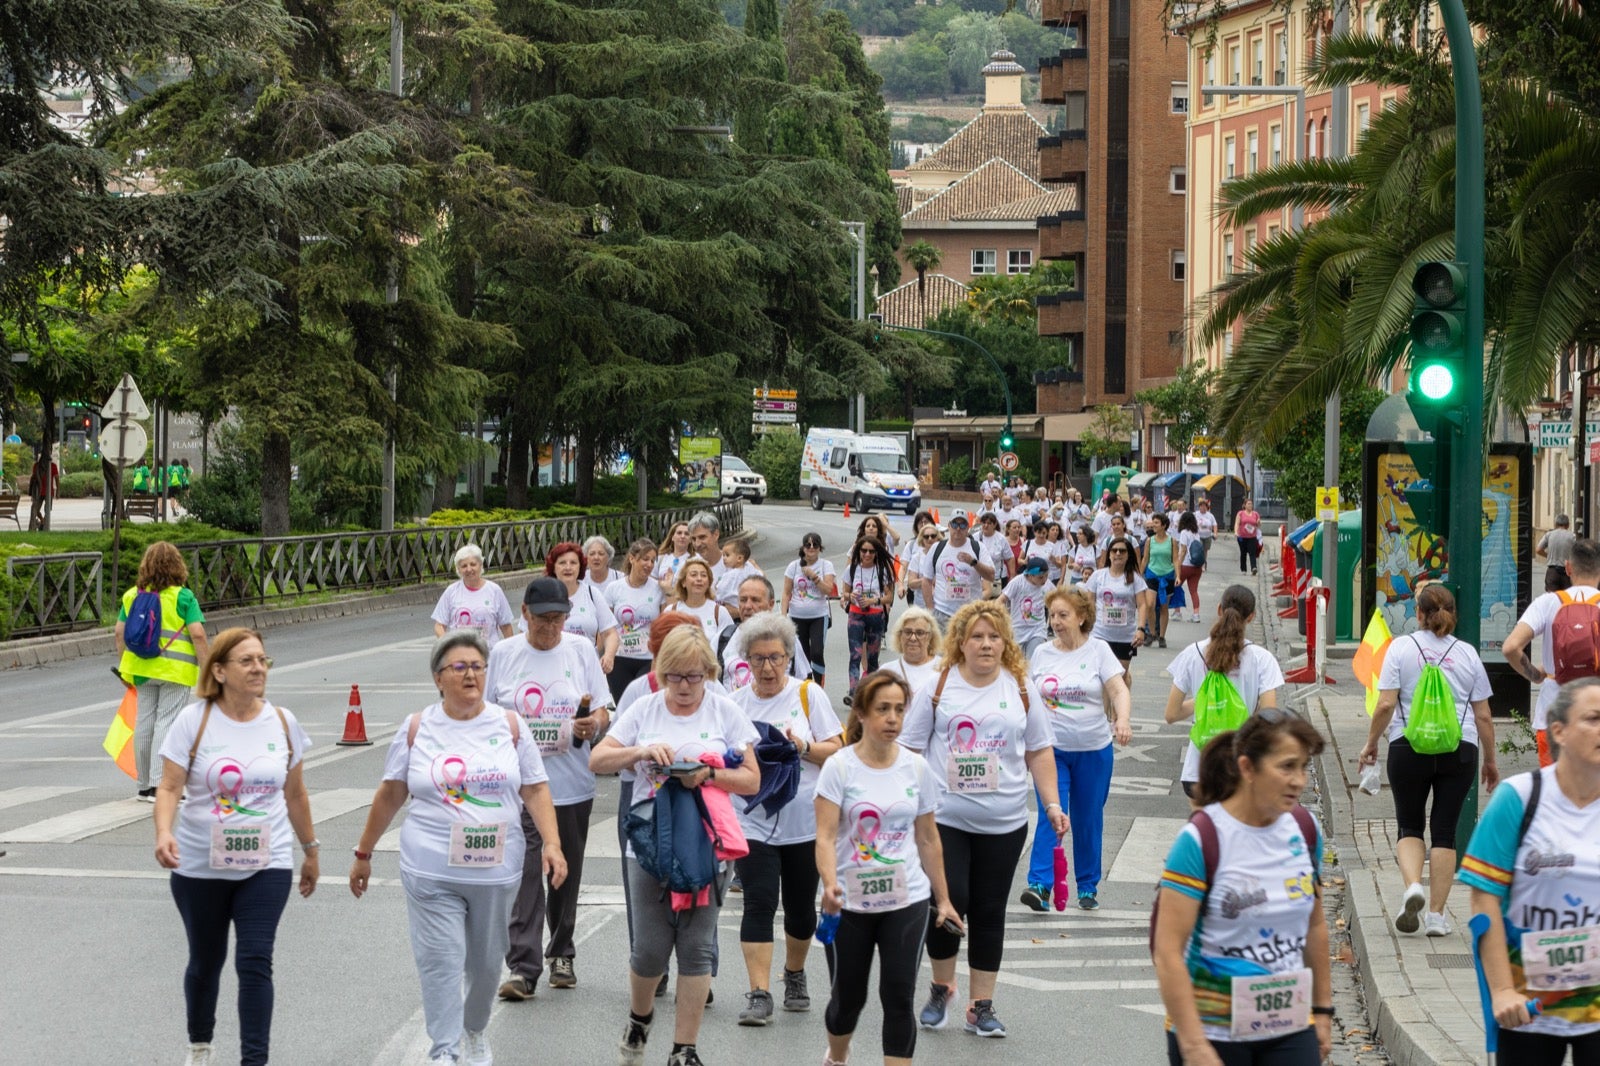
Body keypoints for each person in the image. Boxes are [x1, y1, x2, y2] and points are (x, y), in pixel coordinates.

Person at [348, 631, 567, 1066]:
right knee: (441, 962)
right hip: (430, 869)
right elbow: (391, 792)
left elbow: (536, 787)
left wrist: (553, 844)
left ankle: (473, 1030)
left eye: (478, 666)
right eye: (460, 667)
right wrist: (363, 853)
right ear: (438, 678)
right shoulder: (417, 728)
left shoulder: (509, 724)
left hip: (495, 870)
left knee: (487, 966)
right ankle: (444, 1050)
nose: (470, 674)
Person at [591, 626, 762, 1066]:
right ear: (661, 673)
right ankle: (639, 1015)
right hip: (650, 844)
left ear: (708, 673)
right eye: (675, 677)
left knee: (697, 946)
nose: (684, 687)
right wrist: (641, 752)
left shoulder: (725, 712)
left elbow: (751, 780)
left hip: (706, 843)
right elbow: (598, 758)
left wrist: (707, 775)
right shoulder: (644, 709)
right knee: (649, 948)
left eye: (694, 677)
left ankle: (684, 1049)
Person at [900, 599, 1069, 1039]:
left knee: (991, 910)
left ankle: (981, 1006)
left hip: (1005, 820)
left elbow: (1038, 749)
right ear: (960, 641)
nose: (986, 644)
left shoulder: (1020, 686)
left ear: (1005, 642)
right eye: (977, 636)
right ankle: (940, 987)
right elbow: (909, 751)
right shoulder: (938, 686)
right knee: (948, 901)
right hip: (944, 819)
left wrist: (1051, 804)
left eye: (994, 636)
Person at [152, 628, 317, 1066]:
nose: (258, 668)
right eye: (246, 661)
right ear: (219, 671)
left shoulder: (283, 722)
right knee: (206, 963)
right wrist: (163, 832)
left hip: (268, 862)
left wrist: (311, 850)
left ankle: (254, 1061)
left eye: (263, 659)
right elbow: (168, 787)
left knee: (255, 959)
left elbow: (296, 794)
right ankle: (200, 1046)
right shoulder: (194, 721)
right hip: (199, 866)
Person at [1152, 713, 1334, 1066]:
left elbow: (1314, 925)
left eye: (1303, 767)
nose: (1299, 781)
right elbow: (1167, 950)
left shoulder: (1305, 829)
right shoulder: (1202, 839)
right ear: (1248, 768)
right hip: (1212, 1032)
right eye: (1286, 767)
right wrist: (1193, 1046)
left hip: (1289, 1026)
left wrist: (1323, 1011)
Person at [815, 670, 961, 1066]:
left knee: (898, 996)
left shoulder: (916, 768)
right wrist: (830, 885)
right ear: (861, 713)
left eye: (899, 709)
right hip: (849, 902)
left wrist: (943, 899)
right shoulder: (839, 768)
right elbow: (826, 837)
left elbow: (929, 839)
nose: (893, 718)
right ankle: (838, 1056)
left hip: (907, 898)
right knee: (848, 999)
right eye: (883, 709)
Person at [1460, 677, 1600, 1065]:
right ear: (1559, 731)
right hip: (1529, 1006)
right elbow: (1483, 897)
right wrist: (1502, 990)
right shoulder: (1520, 797)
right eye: (1593, 718)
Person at [487, 577, 613, 999]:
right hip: (518, 789)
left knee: (564, 873)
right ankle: (523, 967)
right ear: (524, 613)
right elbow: (485, 715)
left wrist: (592, 724)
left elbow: (602, 708)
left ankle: (562, 950)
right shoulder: (503, 655)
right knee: (524, 876)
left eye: (559, 618)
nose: (551, 627)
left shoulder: (579, 650)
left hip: (570, 784)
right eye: (543, 619)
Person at [1359, 583, 1498, 937]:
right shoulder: (1467, 653)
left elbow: (1386, 704)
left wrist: (1371, 743)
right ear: (1453, 614)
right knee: (1445, 832)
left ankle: (1412, 887)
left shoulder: (1400, 649)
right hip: (1460, 750)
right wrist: (1490, 761)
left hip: (1408, 747)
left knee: (1409, 824)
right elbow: (1483, 715)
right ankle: (1436, 916)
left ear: (1418, 614)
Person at [729, 613, 845, 1026]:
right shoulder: (736, 702)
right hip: (752, 819)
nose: (767, 668)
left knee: (800, 910)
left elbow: (838, 747)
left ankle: (794, 974)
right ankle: (759, 992)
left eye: (775, 658)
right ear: (746, 661)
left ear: (788, 656)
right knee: (759, 902)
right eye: (758, 659)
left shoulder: (808, 695)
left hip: (802, 821)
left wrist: (803, 746)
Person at [1022, 585, 1131, 912]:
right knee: (1049, 813)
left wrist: (1122, 719)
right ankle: (1040, 885)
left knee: (1087, 819)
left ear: (1082, 617)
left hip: (1094, 750)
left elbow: (1118, 689)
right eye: (1052, 615)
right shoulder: (1041, 653)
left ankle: (1086, 886)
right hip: (1050, 751)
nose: (1056, 621)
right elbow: (1026, 698)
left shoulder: (1098, 650)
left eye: (1063, 615)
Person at [1164, 585, 1285, 799]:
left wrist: (1207, 699)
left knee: (1207, 831)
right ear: (1252, 617)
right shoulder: (1262, 659)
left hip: (1199, 770)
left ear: (1219, 609)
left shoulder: (1193, 653)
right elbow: (1269, 718)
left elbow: (1171, 714)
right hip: (1241, 768)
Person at [116, 541, 210, 801]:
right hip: (175, 672)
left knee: (144, 722)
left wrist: (124, 667)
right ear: (177, 565)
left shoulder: (132, 595)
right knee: (166, 722)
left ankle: (144, 785)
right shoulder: (184, 597)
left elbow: (118, 632)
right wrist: (209, 669)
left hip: (141, 669)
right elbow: (198, 635)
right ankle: (161, 786)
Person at [1503, 537, 1600, 768]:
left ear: (1568, 567)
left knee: (1553, 792)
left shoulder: (1547, 603)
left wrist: (1536, 675)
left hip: (1552, 713)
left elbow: (1510, 648)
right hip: (1595, 713)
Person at [720, 574, 812, 689]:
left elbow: (803, 682)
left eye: (755, 600)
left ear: (771, 604)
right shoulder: (723, 639)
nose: (748, 606)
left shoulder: (786, 637)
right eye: (743, 600)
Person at [542, 541, 620, 675]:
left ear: (580, 567)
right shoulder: (542, 594)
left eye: (573, 563)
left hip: (587, 670)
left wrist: (608, 656)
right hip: (552, 670)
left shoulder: (592, 594)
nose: (568, 567)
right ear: (553, 567)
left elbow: (610, 633)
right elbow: (525, 635)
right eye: (562, 563)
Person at [1084, 534, 1149, 691]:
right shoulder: (1098, 576)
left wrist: (1141, 629)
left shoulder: (1135, 579)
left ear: (1128, 555)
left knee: (1119, 679)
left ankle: (1119, 710)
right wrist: (1084, 628)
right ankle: (1107, 716)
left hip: (1125, 637)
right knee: (1102, 679)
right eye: (1114, 551)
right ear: (1109, 554)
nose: (1118, 554)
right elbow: (1088, 604)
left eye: (1122, 551)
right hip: (1100, 634)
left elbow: (1142, 605)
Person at [606, 538, 666, 700]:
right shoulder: (614, 588)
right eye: (645, 559)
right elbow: (606, 627)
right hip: (620, 657)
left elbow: (667, 622)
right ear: (632, 558)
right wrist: (604, 654)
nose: (649, 565)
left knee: (642, 704)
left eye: (653, 561)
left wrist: (670, 592)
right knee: (623, 707)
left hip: (648, 658)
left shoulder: (658, 588)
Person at [918, 515, 996, 630]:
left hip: (970, 614)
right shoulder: (937, 548)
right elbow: (926, 580)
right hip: (942, 614)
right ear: (949, 526)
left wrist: (974, 562)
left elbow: (991, 576)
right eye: (955, 525)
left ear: (967, 528)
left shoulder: (978, 547)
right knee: (942, 648)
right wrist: (930, 609)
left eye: (962, 525)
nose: (958, 529)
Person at [431, 544, 516, 647]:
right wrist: (448, 646)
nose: (469, 569)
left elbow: (506, 625)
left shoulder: (494, 590)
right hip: (460, 654)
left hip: (488, 654)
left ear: (480, 565)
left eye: (473, 564)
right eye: (464, 566)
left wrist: (511, 651)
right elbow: (439, 625)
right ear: (458, 569)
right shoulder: (451, 591)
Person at [783, 533, 837, 685]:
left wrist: (814, 577)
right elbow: (786, 593)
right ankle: (806, 688)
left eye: (815, 545)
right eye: (808, 545)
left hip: (819, 616)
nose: (811, 548)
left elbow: (828, 590)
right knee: (803, 656)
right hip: (797, 616)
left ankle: (819, 687)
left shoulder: (826, 565)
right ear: (803, 548)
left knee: (817, 653)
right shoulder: (793, 566)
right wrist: (783, 616)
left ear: (820, 548)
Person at [844, 535, 896, 690]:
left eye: (871, 552)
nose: (867, 554)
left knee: (873, 658)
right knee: (855, 655)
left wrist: (874, 601)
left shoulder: (883, 570)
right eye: (864, 551)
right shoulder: (851, 569)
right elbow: (844, 593)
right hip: (856, 614)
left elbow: (889, 597)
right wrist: (850, 596)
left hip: (875, 616)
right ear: (858, 552)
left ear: (876, 553)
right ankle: (853, 691)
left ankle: (871, 690)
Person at [1140, 514, 1181, 648]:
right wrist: (1139, 575)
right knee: (1150, 605)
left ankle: (1162, 636)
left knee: (1164, 607)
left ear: (1164, 525)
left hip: (1167, 576)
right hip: (1152, 574)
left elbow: (1175, 559)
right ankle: (1152, 633)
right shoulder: (1149, 541)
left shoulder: (1172, 541)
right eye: (1153, 523)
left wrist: (1178, 575)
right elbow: (1145, 559)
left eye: (1156, 523)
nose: (1153, 525)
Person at [667, 557, 729, 644]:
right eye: (693, 575)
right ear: (683, 582)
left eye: (703, 575)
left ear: (708, 583)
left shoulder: (720, 612)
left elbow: (730, 646)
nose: (699, 579)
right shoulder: (671, 611)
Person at [1001, 556, 1053, 659]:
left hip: (1037, 628)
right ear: (1030, 575)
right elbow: (1001, 600)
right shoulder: (1017, 582)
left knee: (1034, 659)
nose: (1044, 580)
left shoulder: (1047, 584)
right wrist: (1003, 619)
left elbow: (1056, 600)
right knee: (1015, 663)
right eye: (1040, 577)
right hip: (1018, 628)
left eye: (1046, 576)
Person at [901, 521, 941, 610]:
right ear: (922, 540)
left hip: (942, 607)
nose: (930, 539)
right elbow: (911, 583)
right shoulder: (917, 558)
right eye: (926, 537)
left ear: (938, 538)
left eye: (933, 536)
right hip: (921, 606)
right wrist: (927, 580)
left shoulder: (945, 556)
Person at [714, 536, 761, 610]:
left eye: (727, 555)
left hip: (733, 606)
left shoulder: (730, 575)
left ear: (739, 558)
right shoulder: (749, 567)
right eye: (723, 555)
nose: (724, 558)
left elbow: (720, 590)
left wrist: (716, 588)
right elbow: (761, 576)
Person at [1177, 511, 1205, 625]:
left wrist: (1178, 563)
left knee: (1176, 587)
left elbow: (1183, 549)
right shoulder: (1196, 533)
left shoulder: (1184, 532)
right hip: (1197, 566)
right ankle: (1196, 614)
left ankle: (1177, 612)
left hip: (1186, 565)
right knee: (1194, 591)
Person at [1536, 514, 1576, 592]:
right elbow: (1577, 553)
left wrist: (1548, 556)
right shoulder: (1572, 536)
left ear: (1555, 524)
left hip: (1552, 572)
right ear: (1568, 525)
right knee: (1566, 598)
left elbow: (1538, 550)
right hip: (1566, 573)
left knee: (1552, 598)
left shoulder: (1549, 535)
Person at [654, 522, 694, 593]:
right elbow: (652, 579)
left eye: (686, 534)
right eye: (679, 533)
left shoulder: (694, 560)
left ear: (690, 539)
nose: (682, 536)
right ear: (672, 537)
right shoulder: (661, 558)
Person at [1234, 498, 1263, 576]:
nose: (1250, 505)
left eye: (1251, 504)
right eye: (1248, 504)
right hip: (1242, 536)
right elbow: (1237, 523)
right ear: (1245, 505)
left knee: (1252, 552)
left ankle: (1254, 568)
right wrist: (1236, 532)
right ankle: (1243, 569)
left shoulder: (1255, 514)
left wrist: (1258, 523)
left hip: (1252, 537)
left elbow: (1258, 525)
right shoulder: (1240, 513)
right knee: (1243, 553)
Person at [1194, 496, 1218, 564]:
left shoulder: (1210, 515)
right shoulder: (1195, 514)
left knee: (1205, 550)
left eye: (1205, 506)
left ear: (1207, 507)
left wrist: (1215, 533)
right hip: (1198, 535)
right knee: (1200, 549)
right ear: (1199, 507)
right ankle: (1199, 562)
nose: (1203, 507)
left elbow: (1214, 524)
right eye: (1201, 506)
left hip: (1207, 536)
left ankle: (1204, 562)